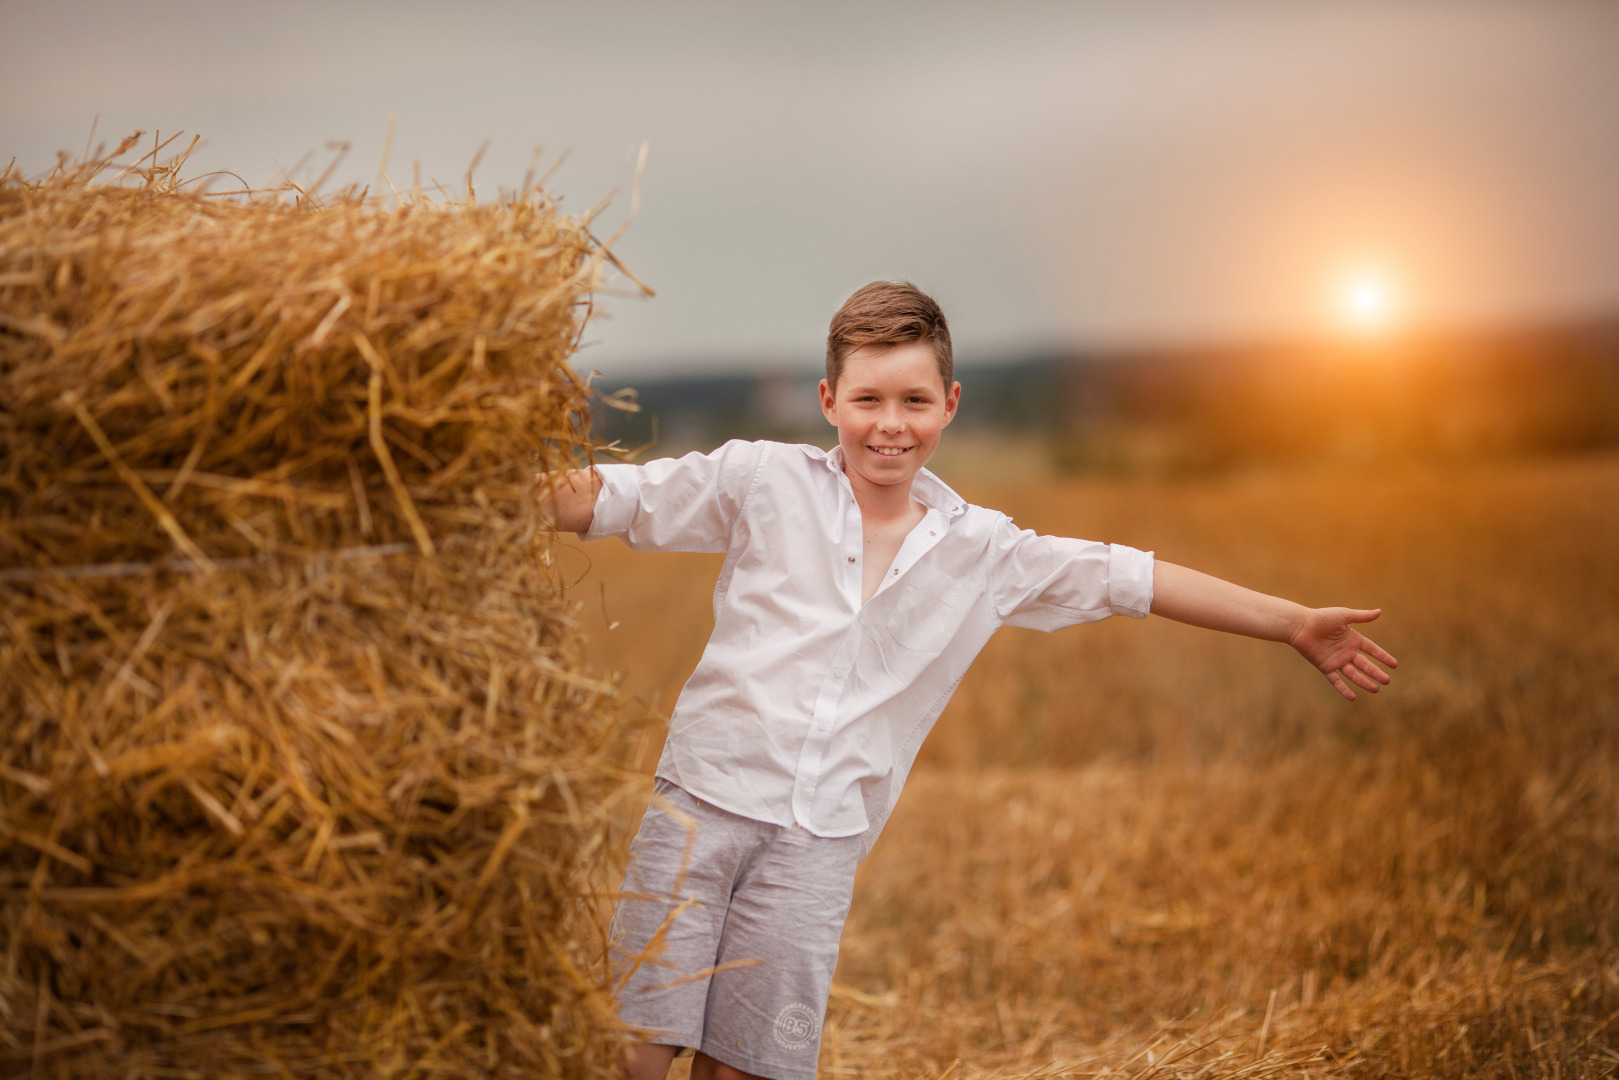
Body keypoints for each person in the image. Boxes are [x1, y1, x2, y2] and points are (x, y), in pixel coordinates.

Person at [535, 281, 1397, 1080]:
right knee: (637, 1052)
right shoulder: (763, 480)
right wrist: (462, 489)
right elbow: (616, 497)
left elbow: (1128, 578)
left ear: (948, 405)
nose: (889, 424)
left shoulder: (982, 550)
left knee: (745, 1070)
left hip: (817, 843)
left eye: (913, 401)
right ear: (828, 400)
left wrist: (1288, 622)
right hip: (700, 810)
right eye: (867, 399)